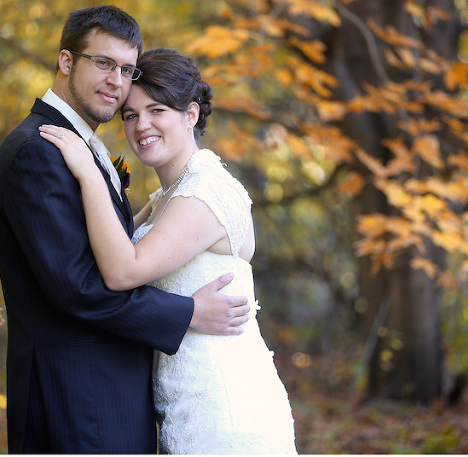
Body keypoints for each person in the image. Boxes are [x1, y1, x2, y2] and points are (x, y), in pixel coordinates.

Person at [0, 6, 251, 454]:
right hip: (76, 401)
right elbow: (79, 286)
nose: (116, 81)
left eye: (126, 69)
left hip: (116, 398)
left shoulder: (83, 149)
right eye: (103, 63)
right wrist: (186, 313)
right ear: (67, 61)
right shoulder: (39, 153)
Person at [39, 48, 297, 454]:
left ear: (191, 115)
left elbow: (124, 271)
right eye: (130, 114)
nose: (142, 125)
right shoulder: (166, 197)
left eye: (157, 110)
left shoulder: (207, 191)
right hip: (183, 404)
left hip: (222, 406)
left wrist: (88, 174)